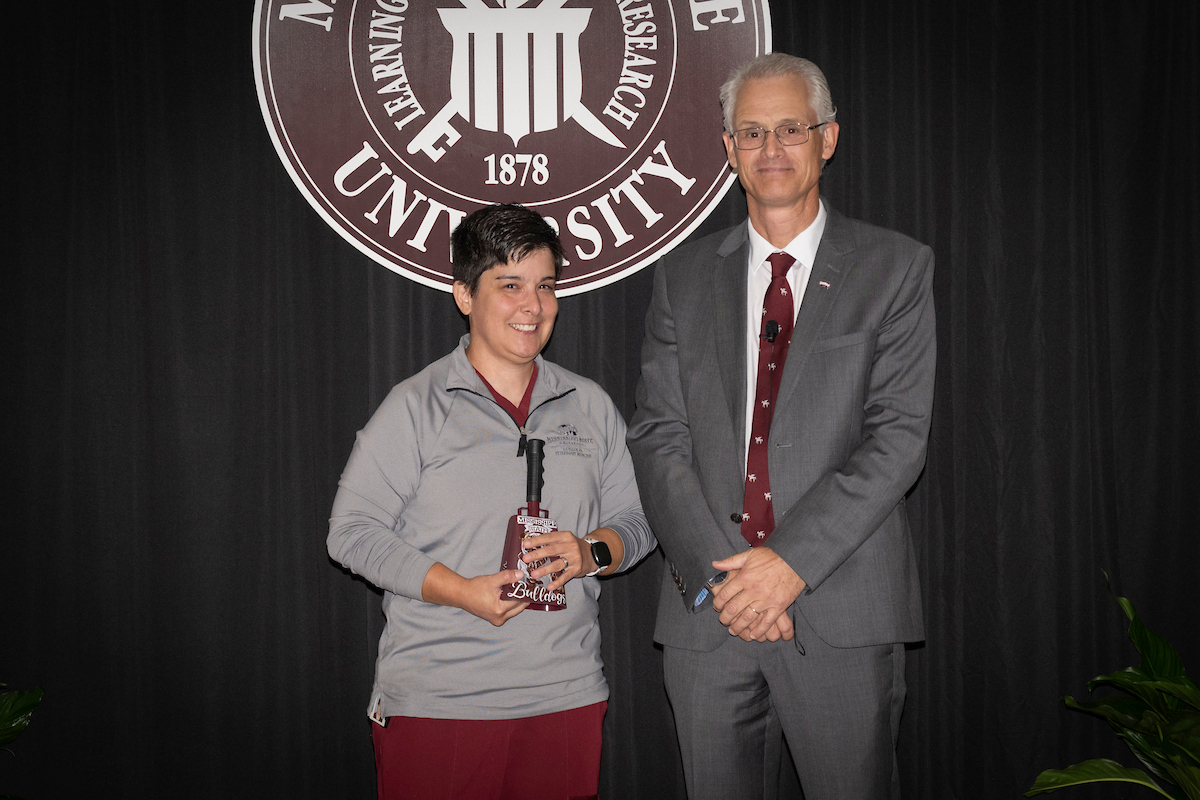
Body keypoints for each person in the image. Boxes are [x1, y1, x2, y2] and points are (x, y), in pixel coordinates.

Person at [627, 53, 935, 799]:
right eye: (752, 132)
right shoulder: (683, 277)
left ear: (828, 138)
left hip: (840, 614)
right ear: (728, 149)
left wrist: (787, 565)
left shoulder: (894, 267)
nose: (771, 150)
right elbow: (657, 435)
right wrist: (726, 579)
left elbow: (897, 438)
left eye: (790, 129)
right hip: (710, 618)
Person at [328, 203, 655, 800]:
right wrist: (462, 591)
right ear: (463, 295)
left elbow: (638, 521)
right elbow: (350, 532)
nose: (533, 306)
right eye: (510, 286)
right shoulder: (415, 406)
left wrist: (590, 553)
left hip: (566, 698)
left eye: (546, 286)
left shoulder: (590, 404)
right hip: (439, 705)